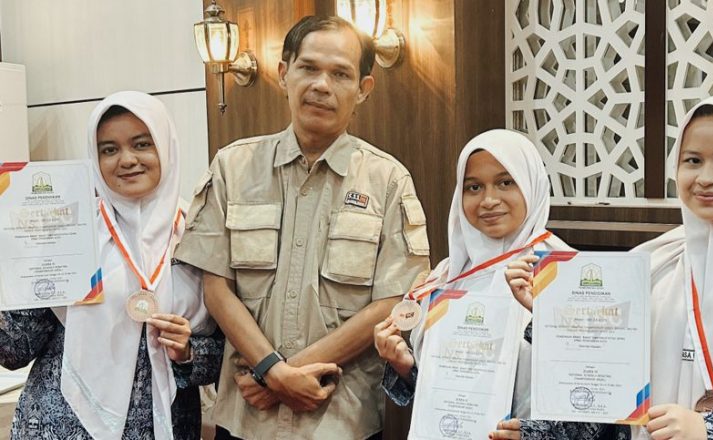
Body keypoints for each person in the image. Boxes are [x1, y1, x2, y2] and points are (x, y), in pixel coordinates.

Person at [495, 92, 713, 439]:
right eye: (692, 160)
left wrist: (709, 430)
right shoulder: (651, 265)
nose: (705, 177)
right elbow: (609, 396)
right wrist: (557, 319)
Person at [174, 15, 430, 440]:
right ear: (283, 73)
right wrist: (274, 371)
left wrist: (279, 376)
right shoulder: (232, 167)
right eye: (308, 67)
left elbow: (391, 301)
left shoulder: (388, 180)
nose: (321, 85)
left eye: (340, 74)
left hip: (340, 419)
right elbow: (216, 288)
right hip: (245, 420)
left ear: (363, 88)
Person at [0, 91, 224, 439]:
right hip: (65, 425)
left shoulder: (197, 233)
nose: (127, 160)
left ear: (166, 147)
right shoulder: (69, 230)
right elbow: (15, 348)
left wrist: (189, 351)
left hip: (166, 424)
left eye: (142, 144)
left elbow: (227, 352)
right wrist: (16, 264)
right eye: (109, 149)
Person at [374, 129, 573, 435]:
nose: (489, 200)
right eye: (474, 187)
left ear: (531, 183)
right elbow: (444, 391)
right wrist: (405, 366)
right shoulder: (446, 276)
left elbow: (595, 395)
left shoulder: (565, 272)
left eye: (505, 182)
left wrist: (534, 434)